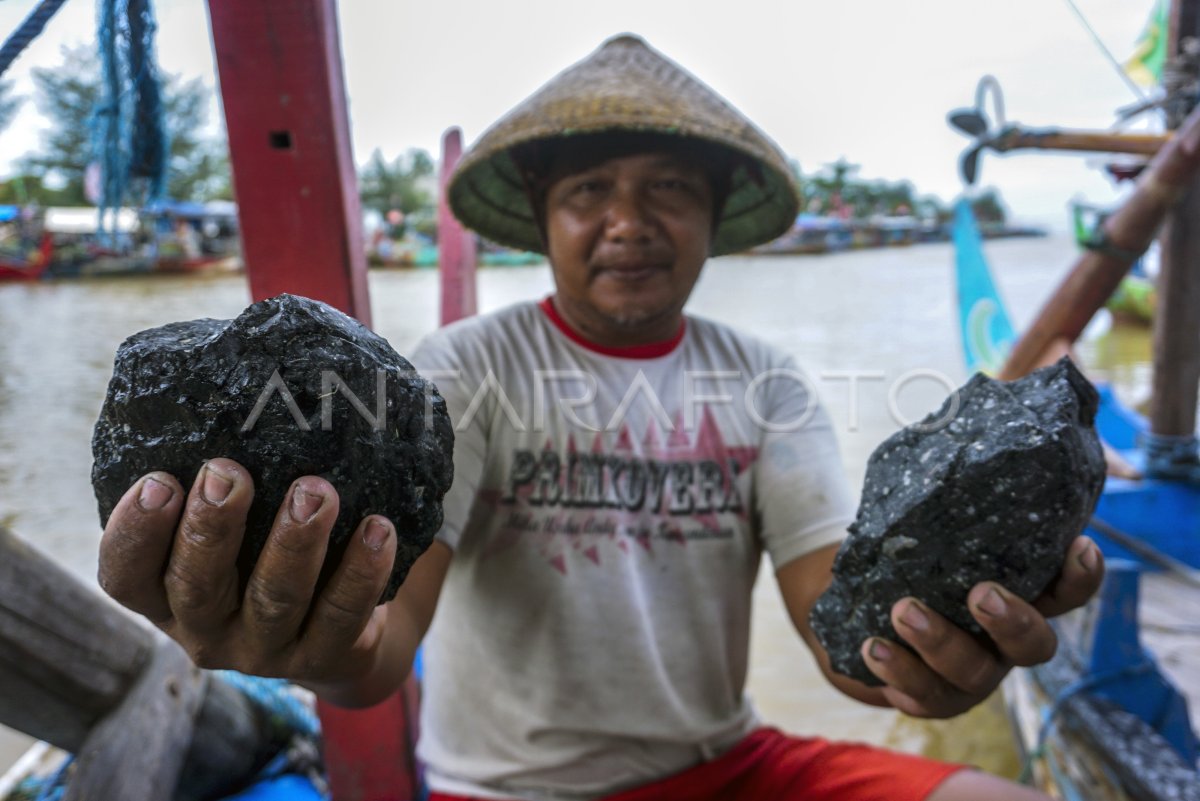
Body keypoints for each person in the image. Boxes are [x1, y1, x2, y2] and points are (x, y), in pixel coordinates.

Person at [98, 35, 1104, 801]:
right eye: (589, 192)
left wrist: (918, 661)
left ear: (716, 216)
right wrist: (297, 635)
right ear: (542, 221)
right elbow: (379, 652)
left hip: (733, 765)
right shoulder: (465, 368)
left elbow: (831, 627)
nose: (630, 220)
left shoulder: (767, 380)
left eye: (670, 187)